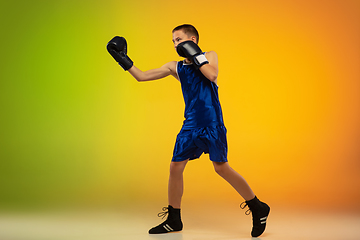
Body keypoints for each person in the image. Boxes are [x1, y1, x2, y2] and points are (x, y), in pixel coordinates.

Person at [106, 24, 270, 238]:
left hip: (211, 122)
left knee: (221, 168)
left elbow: (211, 75)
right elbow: (142, 76)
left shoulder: (210, 56)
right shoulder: (175, 67)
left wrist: (194, 55)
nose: (175, 44)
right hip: (190, 124)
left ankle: (257, 206)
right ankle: (174, 219)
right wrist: (121, 58)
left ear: (192, 40)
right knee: (175, 167)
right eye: (173, 41)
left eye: (179, 39)